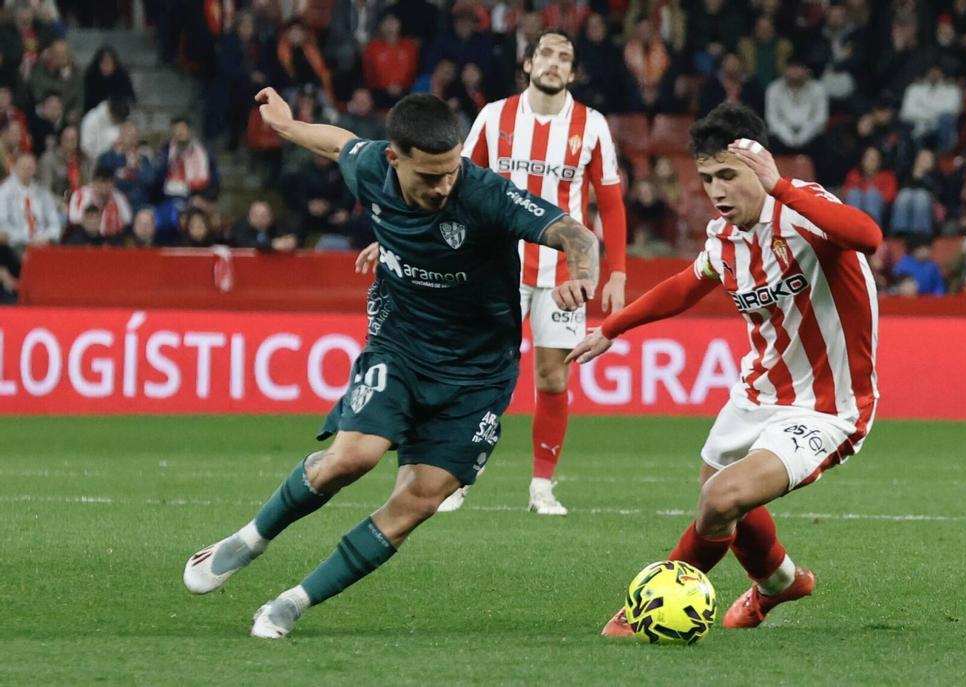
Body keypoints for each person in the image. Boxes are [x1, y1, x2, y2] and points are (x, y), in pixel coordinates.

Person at [183, 88, 600, 639]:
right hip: (400, 344)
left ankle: (292, 602)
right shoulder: (370, 170)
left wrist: (583, 276)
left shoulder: (484, 193)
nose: (444, 185)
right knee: (350, 458)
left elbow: (575, 231)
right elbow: (339, 144)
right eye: (429, 176)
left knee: (419, 500)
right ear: (394, 159)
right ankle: (249, 540)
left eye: (450, 171)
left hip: (478, 374)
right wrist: (286, 126)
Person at [566, 103, 881, 635]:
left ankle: (652, 601)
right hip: (756, 393)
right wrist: (612, 327)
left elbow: (868, 237)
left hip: (828, 405)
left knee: (720, 499)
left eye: (729, 175)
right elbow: (686, 285)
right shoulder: (725, 237)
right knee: (719, 494)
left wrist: (780, 185)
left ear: (759, 165)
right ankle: (780, 584)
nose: (716, 190)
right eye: (708, 177)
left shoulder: (803, 211)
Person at [444, 29, 628, 515]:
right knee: (481, 373)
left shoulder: (591, 125)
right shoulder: (494, 116)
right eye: (545, 53)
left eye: (564, 57)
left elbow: (610, 202)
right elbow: (458, 185)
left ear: (573, 72)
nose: (553, 63)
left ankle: (542, 488)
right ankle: (459, 477)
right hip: (496, 265)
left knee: (552, 379)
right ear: (528, 64)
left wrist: (617, 273)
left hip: (564, 273)